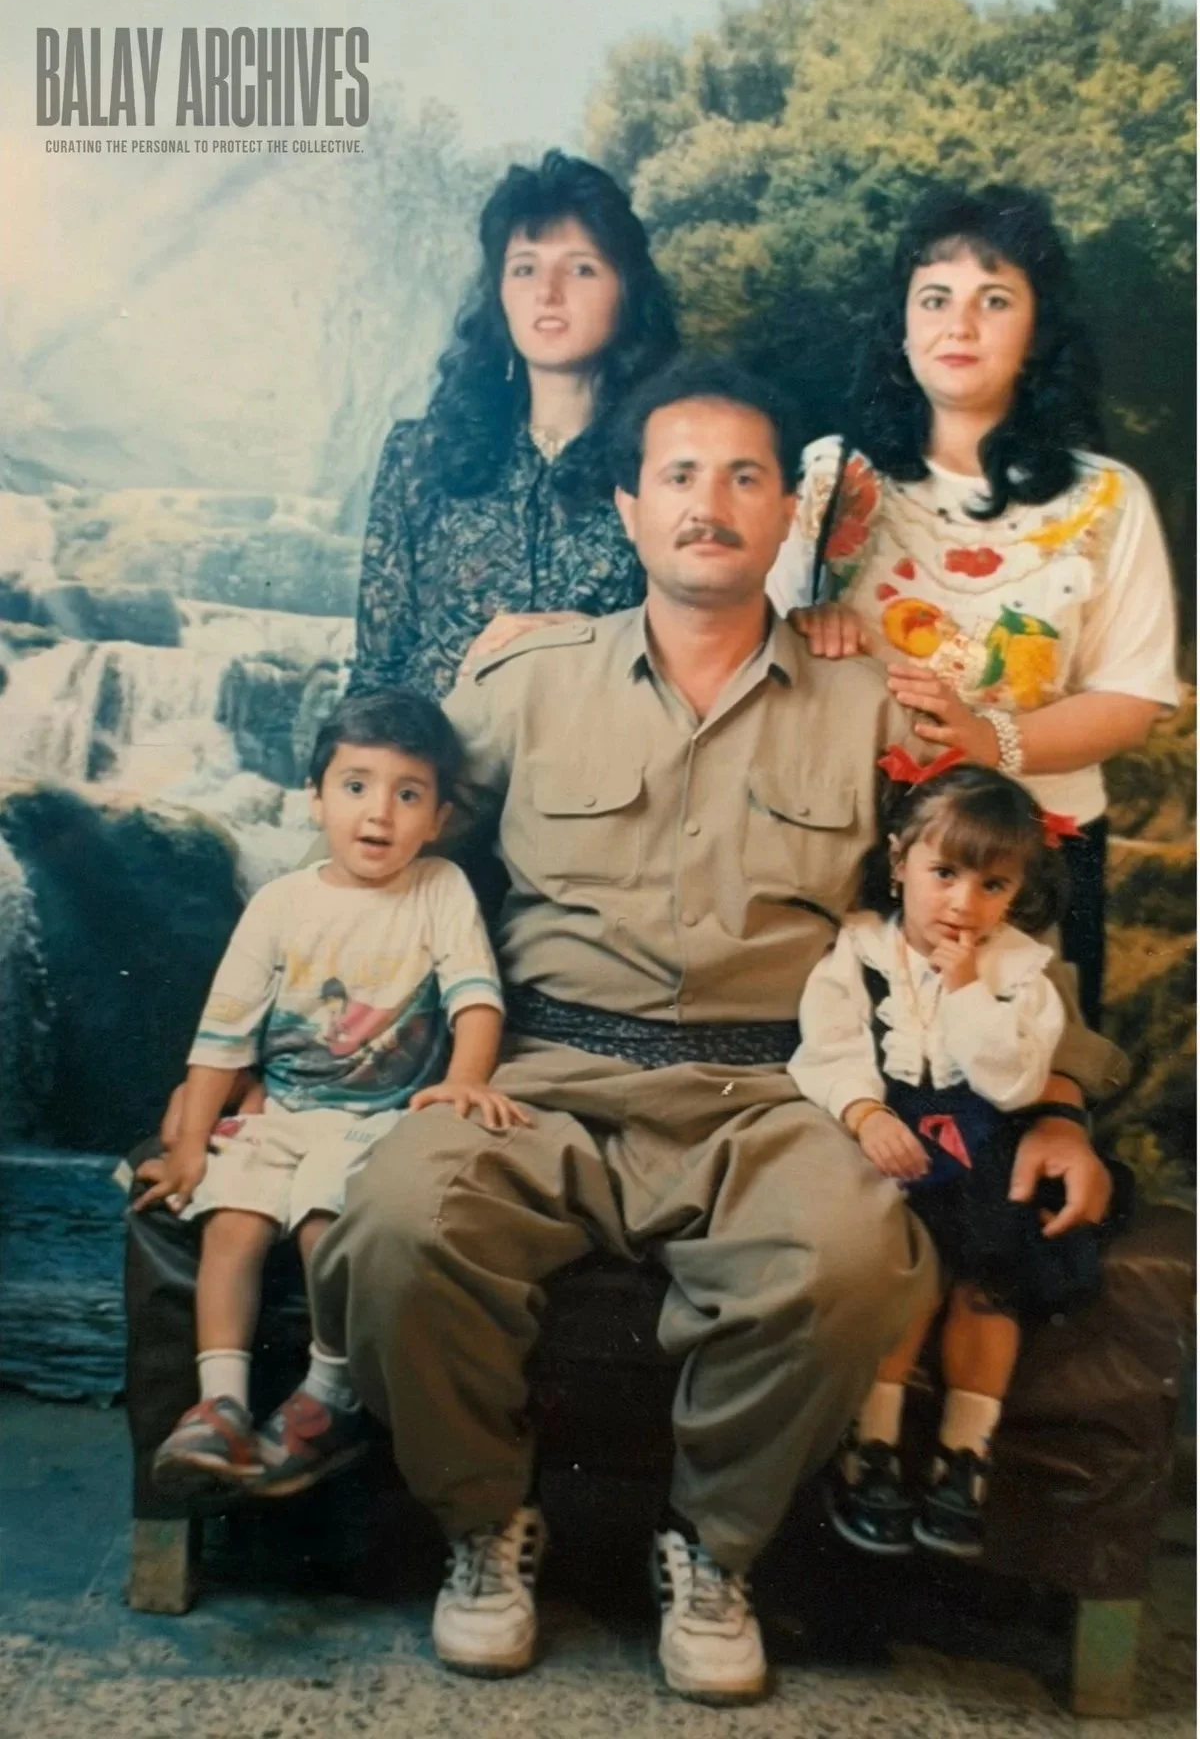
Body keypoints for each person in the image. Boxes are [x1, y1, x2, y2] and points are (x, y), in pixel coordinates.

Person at [309, 356, 1123, 1706]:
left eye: (747, 476)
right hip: (547, 1077)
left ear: (782, 520)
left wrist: (1061, 1100)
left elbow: (988, 904)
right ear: (629, 508)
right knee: (395, 1220)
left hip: (774, 1090)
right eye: (679, 474)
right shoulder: (524, 684)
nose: (711, 502)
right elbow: (375, 846)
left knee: (857, 1251)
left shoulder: (873, 709)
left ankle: (712, 1549)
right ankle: (484, 1531)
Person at [768, 184, 1179, 1026]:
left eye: (995, 300)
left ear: (1037, 332)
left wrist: (992, 740)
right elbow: (754, 655)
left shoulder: (1106, 500)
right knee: (861, 1101)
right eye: (935, 299)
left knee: (1023, 1102)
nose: (959, 324)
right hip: (856, 850)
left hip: (1034, 860)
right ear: (903, 327)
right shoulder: (830, 478)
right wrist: (805, 630)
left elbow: (1133, 700)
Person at [137, 690, 525, 1500]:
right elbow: (223, 1036)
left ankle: (326, 1397)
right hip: (283, 1109)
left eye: (407, 794)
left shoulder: (439, 888)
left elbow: (475, 1000)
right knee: (231, 1220)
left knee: (325, 1222)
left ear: (440, 816)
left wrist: (463, 1081)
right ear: (315, 799)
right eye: (355, 786)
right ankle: (222, 1404)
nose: (378, 813)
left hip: (378, 1122)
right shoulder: (281, 904)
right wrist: (184, 1151)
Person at [791, 755, 1119, 1562]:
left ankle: (963, 1458)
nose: (964, 904)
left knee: (988, 1284)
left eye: (994, 887)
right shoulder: (860, 951)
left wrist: (969, 987)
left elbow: (1012, 1083)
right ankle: (870, 1449)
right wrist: (864, 1113)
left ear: (1018, 894)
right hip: (892, 1138)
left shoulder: (1020, 973)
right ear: (900, 861)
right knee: (906, 1277)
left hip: (984, 1146)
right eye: (944, 874)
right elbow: (825, 1049)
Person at [347, 148, 680, 704]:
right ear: (498, 294)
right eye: (524, 268)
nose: (548, 293)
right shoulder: (420, 455)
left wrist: (587, 641)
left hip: (610, 779)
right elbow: (375, 680)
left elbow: (712, 653)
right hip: (441, 776)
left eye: (581, 268)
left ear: (627, 293)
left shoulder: (671, 461)